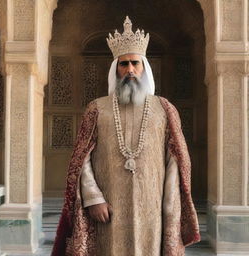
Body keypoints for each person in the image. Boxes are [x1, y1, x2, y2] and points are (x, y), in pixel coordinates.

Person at [51, 16, 200, 256]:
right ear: (116, 69)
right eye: (123, 64)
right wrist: (93, 199)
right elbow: (81, 160)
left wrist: (169, 209)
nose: (130, 69)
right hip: (108, 208)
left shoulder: (164, 108)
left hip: (152, 209)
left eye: (135, 63)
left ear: (144, 68)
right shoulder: (97, 108)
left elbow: (176, 162)